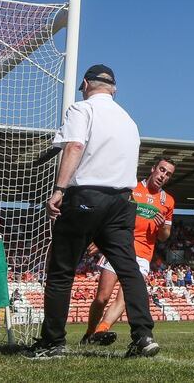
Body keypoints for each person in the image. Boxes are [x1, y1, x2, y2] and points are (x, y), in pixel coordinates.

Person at [24, 64, 159, 359]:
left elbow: (74, 145)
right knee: (128, 269)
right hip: (122, 202)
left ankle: (53, 341)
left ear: (85, 84)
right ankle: (143, 336)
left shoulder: (82, 109)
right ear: (114, 89)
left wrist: (59, 190)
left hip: (87, 196)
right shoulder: (129, 121)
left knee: (61, 271)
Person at [81, 157, 176, 346]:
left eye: (168, 174)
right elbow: (112, 217)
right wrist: (100, 241)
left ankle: (102, 330)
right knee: (102, 297)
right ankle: (89, 333)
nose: (163, 175)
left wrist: (161, 227)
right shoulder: (131, 189)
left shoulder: (168, 201)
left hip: (142, 255)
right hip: (118, 247)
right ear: (153, 169)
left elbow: (165, 236)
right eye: (162, 170)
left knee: (123, 299)